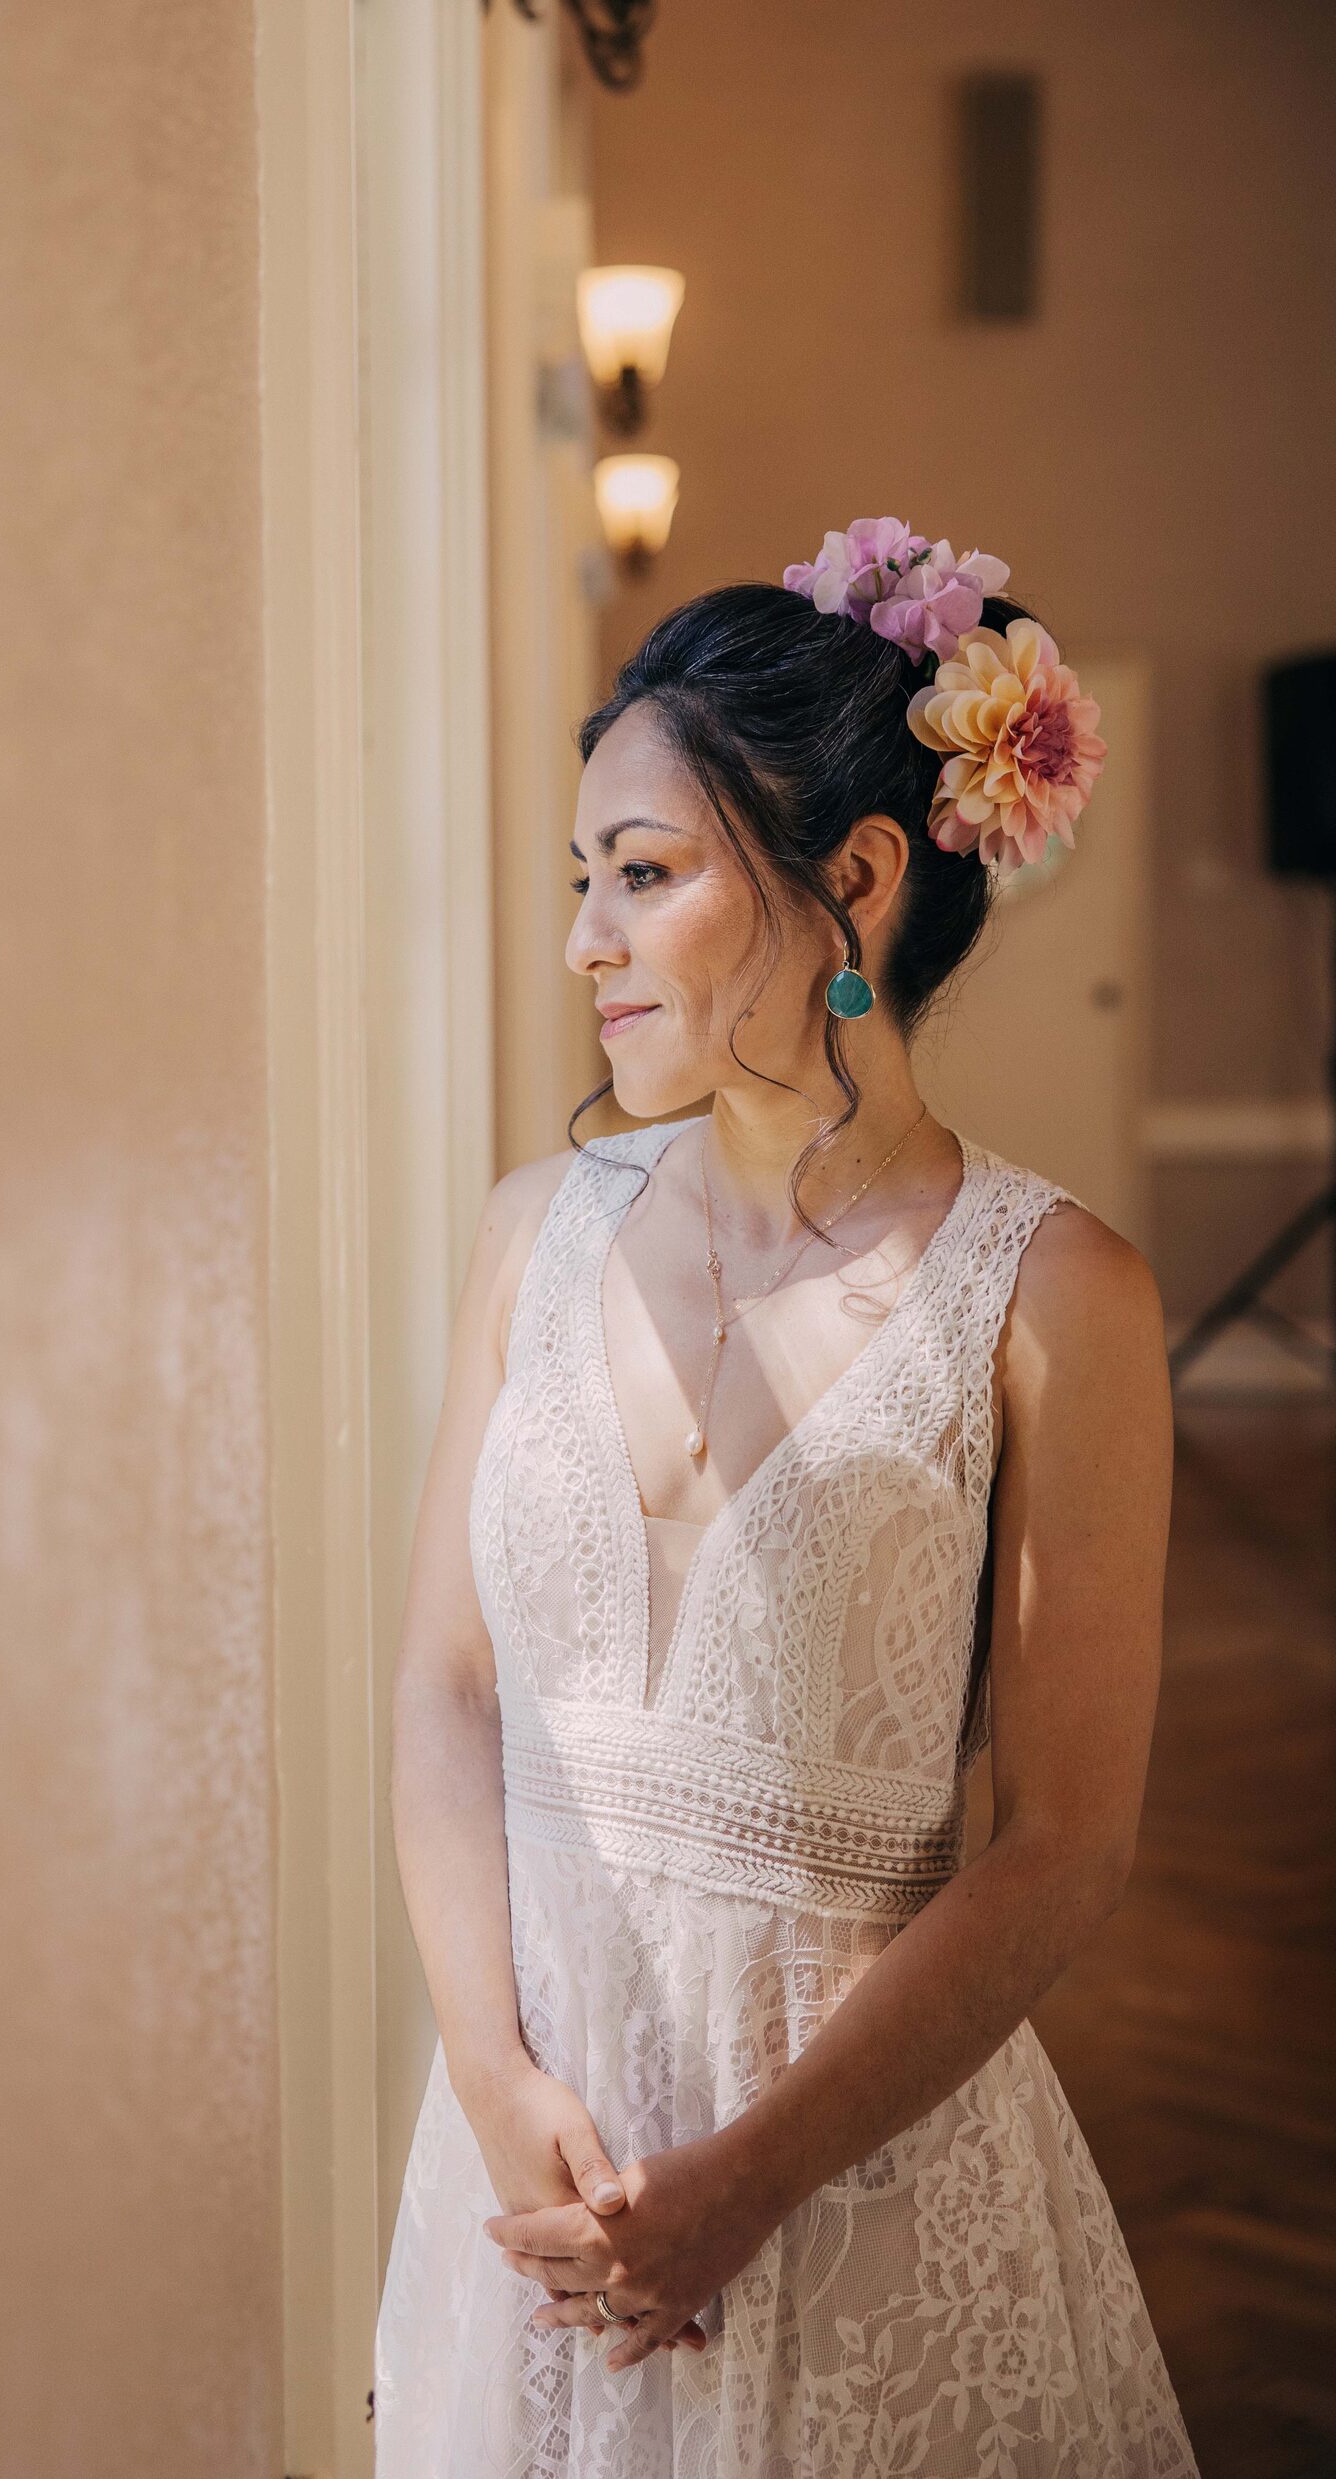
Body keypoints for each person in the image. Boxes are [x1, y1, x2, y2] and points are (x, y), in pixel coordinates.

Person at [373, 523, 1201, 2475]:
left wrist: (748, 2177)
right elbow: (447, 1693)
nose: (585, 939)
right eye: (581, 881)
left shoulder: (1055, 1295)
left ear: (854, 880)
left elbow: (1064, 1841)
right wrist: (496, 2085)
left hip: (853, 2195)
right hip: (528, 2188)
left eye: (643, 878)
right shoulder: (530, 1234)